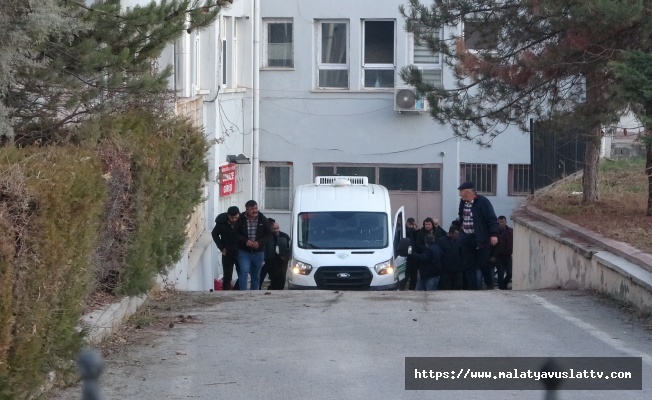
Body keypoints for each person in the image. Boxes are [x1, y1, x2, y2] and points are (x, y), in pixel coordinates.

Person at [457, 181, 499, 290]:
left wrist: (493, 234)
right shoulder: (462, 203)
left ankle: (489, 285)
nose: (460, 195)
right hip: (466, 237)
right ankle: (472, 288)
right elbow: (462, 217)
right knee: (468, 265)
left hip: (480, 238)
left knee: (483, 263)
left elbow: (491, 219)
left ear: (467, 191)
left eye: (461, 192)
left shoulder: (483, 202)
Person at [234, 200, 272, 290]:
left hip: (258, 252)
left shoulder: (262, 219)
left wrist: (259, 242)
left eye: (256, 208)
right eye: (252, 209)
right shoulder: (241, 220)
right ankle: (243, 293)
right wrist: (245, 241)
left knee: (256, 275)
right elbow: (234, 234)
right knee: (244, 271)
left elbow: (269, 234)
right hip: (244, 251)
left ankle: (254, 294)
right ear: (246, 210)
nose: (255, 211)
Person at [211, 206, 240, 290]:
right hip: (227, 252)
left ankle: (237, 290)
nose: (234, 220)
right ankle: (225, 292)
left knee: (242, 274)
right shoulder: (221, 221)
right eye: (232, 218)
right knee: (227, 275)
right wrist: (221, 248)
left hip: (240, 251)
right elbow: (214, 234)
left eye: (236, 217)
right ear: (228, 215)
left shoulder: (243, 221)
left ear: (239, 215)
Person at [260, 218, 291, 290]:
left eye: (277, 228)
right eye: (274, 229)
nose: (276, 230)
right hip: (265, 261)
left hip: (279, 262)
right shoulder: (266, 236)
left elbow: (288, 248)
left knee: (278, 280)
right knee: (260, 278)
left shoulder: (284, 236)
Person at [436, 225, 464, 290]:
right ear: (450, 233)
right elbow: (438, 254)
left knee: (458, 285)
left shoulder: (458, 241)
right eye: (455, 234)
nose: (457, 236)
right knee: (446, 288)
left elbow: (461, 254)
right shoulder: (441, 241)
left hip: (457, 269)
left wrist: (461, 265)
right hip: (445, 270)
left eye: (458, 234)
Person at [490, 215, 513, 290]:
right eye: (500, 222)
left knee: (510, 273)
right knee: (500, 274)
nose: (501, 223)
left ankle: (504, 284)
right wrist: (493, 256)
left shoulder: (511, 231)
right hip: (498, 257)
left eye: (503, 222)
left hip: (508, 256)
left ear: (506, 222)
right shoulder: (495, 233)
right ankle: (501, 289)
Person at [401, 217, 419, 290]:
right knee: (406, 275)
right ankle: (402, 288)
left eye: (412, 224)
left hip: (413, 256)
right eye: (410, 224)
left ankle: (412, 289)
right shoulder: (403, 231)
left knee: (413, 276)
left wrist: (416, 228)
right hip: (406, 256)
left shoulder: (414, 232)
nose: (411, 226)